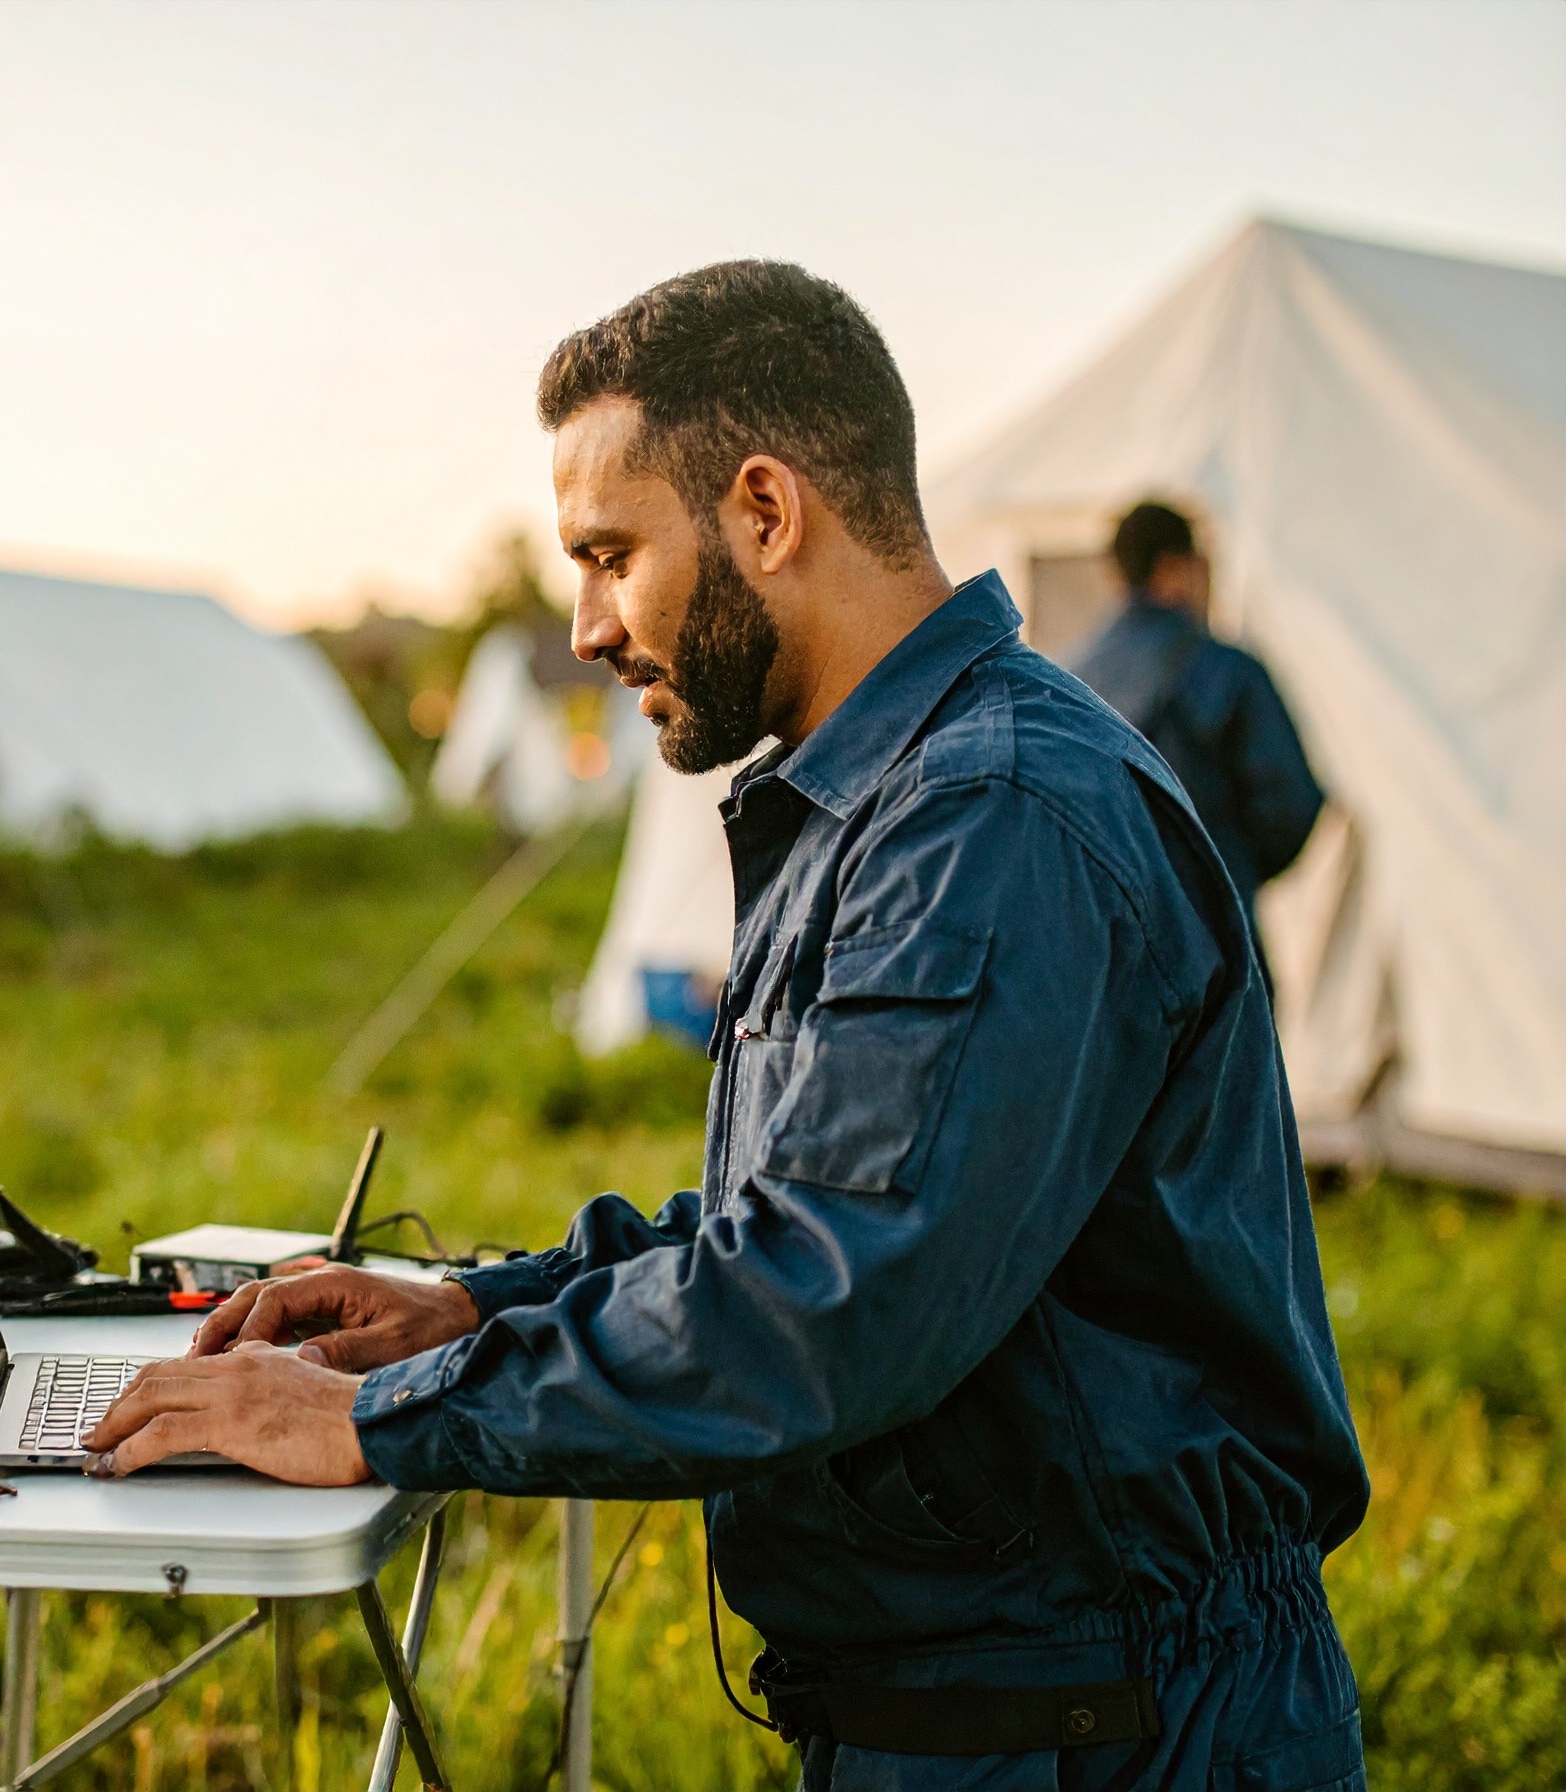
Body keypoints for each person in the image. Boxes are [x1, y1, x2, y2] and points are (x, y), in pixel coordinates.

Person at [83, 263, 1369, 1790]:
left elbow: (821, 1307)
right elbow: (807, 1212)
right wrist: (473, 1311)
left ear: (764, 509)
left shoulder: (991, 816)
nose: (585, 628)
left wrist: (384, 1418)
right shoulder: (883, 799)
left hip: (1107, 1731)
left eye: (609, 556)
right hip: (1014, 1700)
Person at [1068, 502, 1324, 928]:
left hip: (1107, 936)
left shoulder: (1070, 680)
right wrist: (1228, 868)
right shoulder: (1226, 670)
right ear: (1174, 569)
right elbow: (1291, 804)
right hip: (1213, 928)